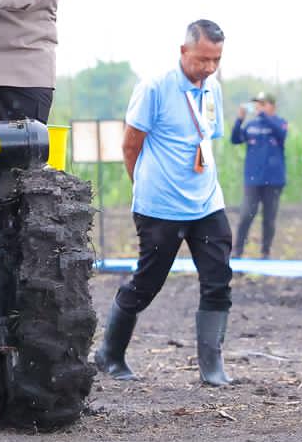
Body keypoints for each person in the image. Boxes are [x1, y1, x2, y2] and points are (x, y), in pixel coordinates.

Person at [94, 20, 234, 386]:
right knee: (147, 282)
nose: (208, 68)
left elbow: (206, 138)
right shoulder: (155, 87)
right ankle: (110, 354)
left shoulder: (212, 89)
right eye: (202, 59)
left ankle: (212, 366)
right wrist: (142, 186)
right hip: (160, 207)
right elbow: (130, 144)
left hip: (206, 202)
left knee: (219, 279)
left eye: (216, 60)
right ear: (184, 52)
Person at [229, 91, 288, 259]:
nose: (259, 107)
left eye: (263, 104)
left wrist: (264, 115)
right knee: (246, 214)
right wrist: (240, 119)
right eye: (257, 104)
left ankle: (265, 251)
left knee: (269, 218)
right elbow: (235, 139)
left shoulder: (280, 123)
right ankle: (238, 250)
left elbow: (281, 134)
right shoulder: (251, 125)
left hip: (274, 179)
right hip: (253, 179)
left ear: (272, 106)